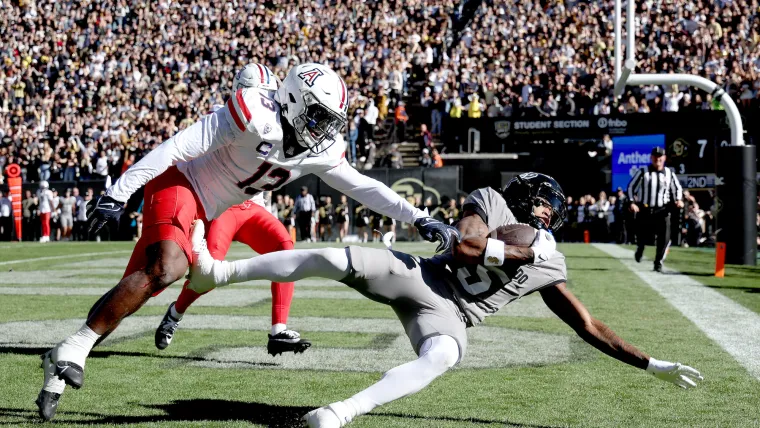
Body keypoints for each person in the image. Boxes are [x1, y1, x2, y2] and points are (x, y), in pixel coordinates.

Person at [37, 63, 456, 421]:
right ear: (292, 101)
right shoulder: (254, 113)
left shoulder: (320, 146)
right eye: (317, 116)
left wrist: (418, 216)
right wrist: (120, 189)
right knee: (169, 268)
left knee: (137, 286)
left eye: (330, 120)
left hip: (208, 209)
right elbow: (178, 147)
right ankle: (74, 347)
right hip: (182, 183)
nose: (323, 129)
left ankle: (61, 359)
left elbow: (362, 185)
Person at [187, 173, 702, 428]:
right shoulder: (492, 202)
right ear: (532, 199)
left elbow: (586, 325)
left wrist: (649, 364)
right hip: (423, 276)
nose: (549, 215)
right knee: (335, 256)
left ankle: (340, 413)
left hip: (451, 313)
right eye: (546, 205)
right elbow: (466, 244)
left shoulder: (553, 262)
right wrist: (520, 252)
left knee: (444, 357)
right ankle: (220, 272)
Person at [154, 64, 311, 354]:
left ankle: (278, 330)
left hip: (253, 207)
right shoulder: (225, 116)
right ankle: (175, 313)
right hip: (223, 206)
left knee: (285, 248)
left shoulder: (278, 121)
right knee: (206, 275)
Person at [627, 147, 684, 272]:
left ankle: (658, 262)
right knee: (643, 236)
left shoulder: (669, 173)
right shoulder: (643, 171)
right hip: (646, 209)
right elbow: (631, 186)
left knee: (665, 237)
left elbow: (677, 188)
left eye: (660, 156)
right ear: (651, 158)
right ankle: (640, 248)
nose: (657, 159)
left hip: (663, 210)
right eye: (655, 156)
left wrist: (678, 200)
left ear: (664, 158)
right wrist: (632, 202)